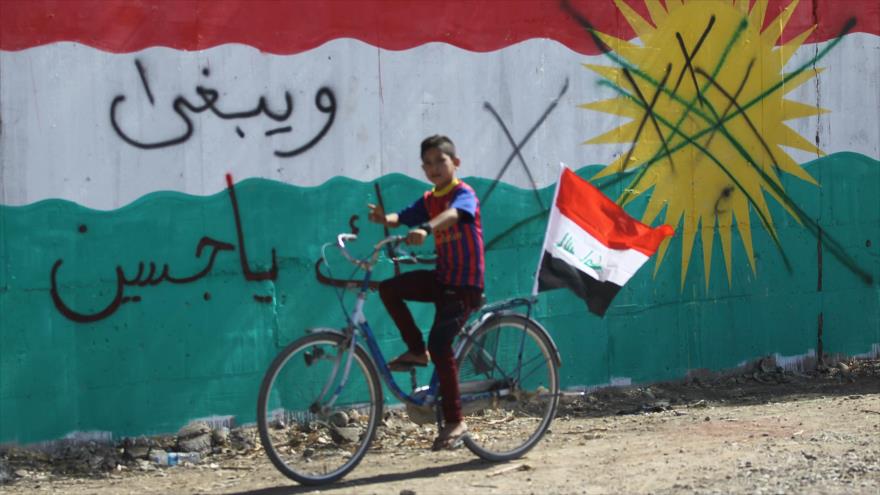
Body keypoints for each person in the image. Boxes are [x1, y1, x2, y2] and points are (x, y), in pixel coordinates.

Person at [367, 134, 485, 451]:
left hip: (465, 285)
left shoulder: (464, 194)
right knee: (389, 288)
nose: (434, 168)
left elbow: (453, 215)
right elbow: (403, 216)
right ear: (423, 169)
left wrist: (426, 228)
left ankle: (456, 421)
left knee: (441, 345)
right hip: (443, 279)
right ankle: (417, 351)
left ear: (455, 163)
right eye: (428, 164)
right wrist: (385, 219)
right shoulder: (429, 198)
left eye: (440, 161)